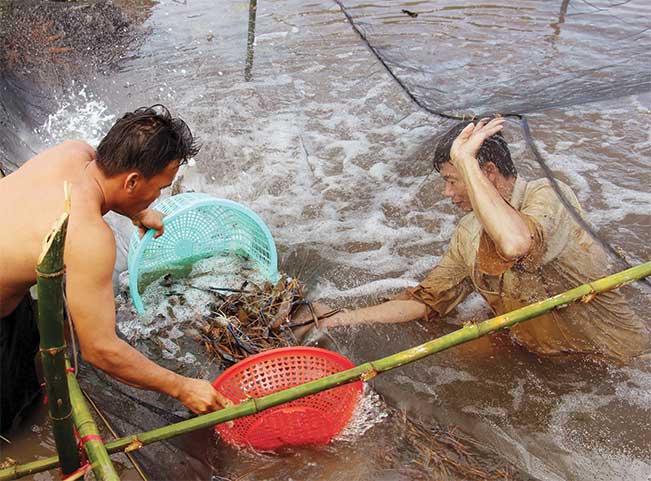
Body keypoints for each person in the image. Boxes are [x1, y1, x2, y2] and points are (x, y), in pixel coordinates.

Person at [302, 118, 649, 364]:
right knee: (465, 352)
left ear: (488, 174)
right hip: (540, 352)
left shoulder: (550, 198)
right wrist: (340, 317)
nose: (446, 193)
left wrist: (466, 158)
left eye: (454, 180)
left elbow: (515, 244)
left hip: (613, 358)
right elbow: (426, 301)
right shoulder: (468, 233)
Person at [0, 105, 226, 433]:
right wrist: (182, 387)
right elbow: (100, 349)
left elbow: (93, 192)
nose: (158, 196)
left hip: (11, 292)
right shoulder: (90, 238)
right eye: (160, 188)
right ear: (133, 181)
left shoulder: (73, 152)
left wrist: (136, 212)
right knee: (10, 427)